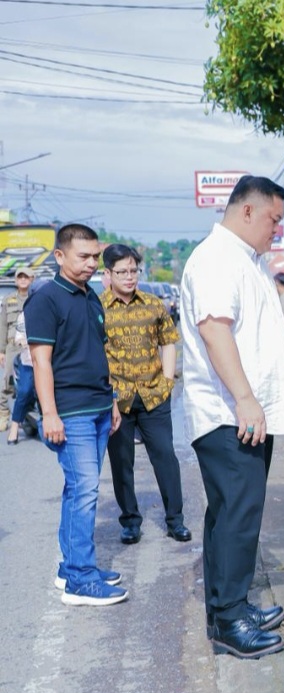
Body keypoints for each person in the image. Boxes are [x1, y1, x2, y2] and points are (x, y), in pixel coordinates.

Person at [180, 175, 284, 659]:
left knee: (230, 513)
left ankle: (228, 607)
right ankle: (230, 621)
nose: (277, 229)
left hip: (244, 412)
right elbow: (215, 331)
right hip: (230, 412)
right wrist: (246, 399)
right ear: (247, 211)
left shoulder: (244, 258)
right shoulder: (216, 258)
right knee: (238, 514)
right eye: (274, 219)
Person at [25, 224, 126, 606]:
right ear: (60, 255)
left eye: (95, 256)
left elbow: (97, 353)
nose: (91, 263)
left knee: (77, 489)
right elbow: (41, 362)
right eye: (83, 256)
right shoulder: (46, 299)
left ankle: (71, 568)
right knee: (85, 491)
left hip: (98, 406)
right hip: (71, 412)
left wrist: (111, 401)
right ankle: (81, 580)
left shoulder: (90, 296)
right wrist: (49, 414)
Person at [100, 244, 190, 545]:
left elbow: (168, 342)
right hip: (117, 400)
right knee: (121, 463)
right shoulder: (97, 309)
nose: (129, 277)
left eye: (133, 271)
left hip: (154, 396)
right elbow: (95, 353)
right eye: (122, 272)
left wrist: (167, 383)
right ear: (108, 274)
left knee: (165, 457)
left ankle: (175, 520)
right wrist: (107, 395)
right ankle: (130, 521)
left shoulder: (153, 304)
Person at [0, 266, 34, 429]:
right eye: (20, 277)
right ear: (15, 280)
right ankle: (3, 413)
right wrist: (1, 351)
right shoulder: (9, 300)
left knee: (29, 383)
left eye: (26, 277)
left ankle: (25, 415)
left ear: (32, 279)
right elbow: (2, 326)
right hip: (12, 347)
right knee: (8, 381)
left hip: (30, 347)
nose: (23, 280)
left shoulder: (36, 298)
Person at [7, 308, 37, 445]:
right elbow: (19, 338)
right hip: (28, 360)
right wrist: (24, 342)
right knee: (25, 390)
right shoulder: (24, 315)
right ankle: (14, 427)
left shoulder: (54, 310)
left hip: (50, 361)